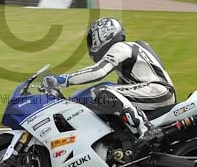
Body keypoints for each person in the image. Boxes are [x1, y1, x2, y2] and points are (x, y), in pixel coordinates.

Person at [53, 17, 176, 155]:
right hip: (154, 91)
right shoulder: (128, 62)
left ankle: (146, 129)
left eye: (91, 40)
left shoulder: (121, 47)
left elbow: (98, 71)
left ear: (103, 34)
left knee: (101, 91)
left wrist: (62, 79)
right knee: (109, 95)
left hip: (157, 90)